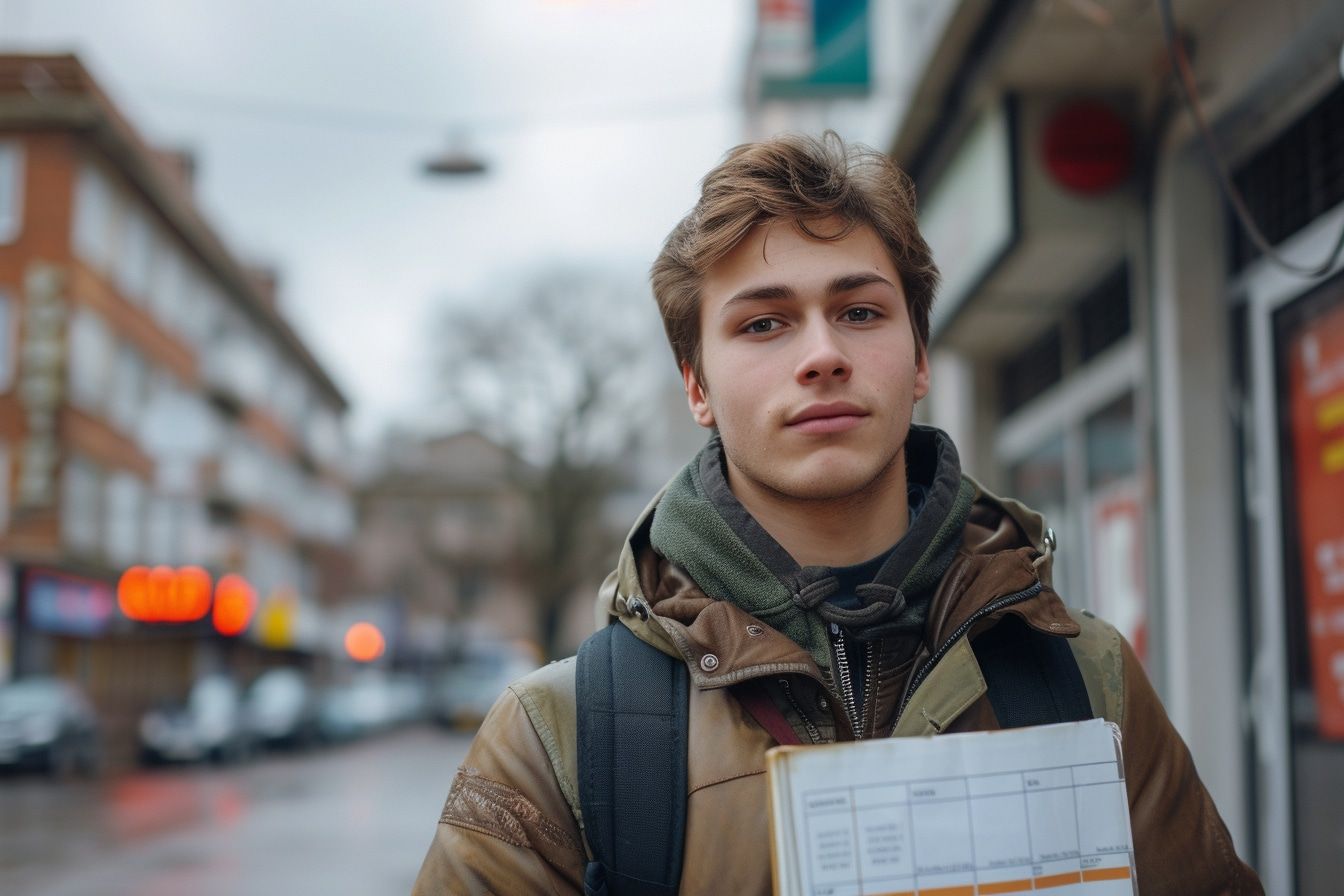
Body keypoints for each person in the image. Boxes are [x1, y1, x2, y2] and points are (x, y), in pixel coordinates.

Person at [411, 133, 1263, 895]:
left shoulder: (1087, 678)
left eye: (859, 312)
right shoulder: (558, 738)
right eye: (764, 324)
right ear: (697, 386)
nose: (822, 355)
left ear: (920, 358)